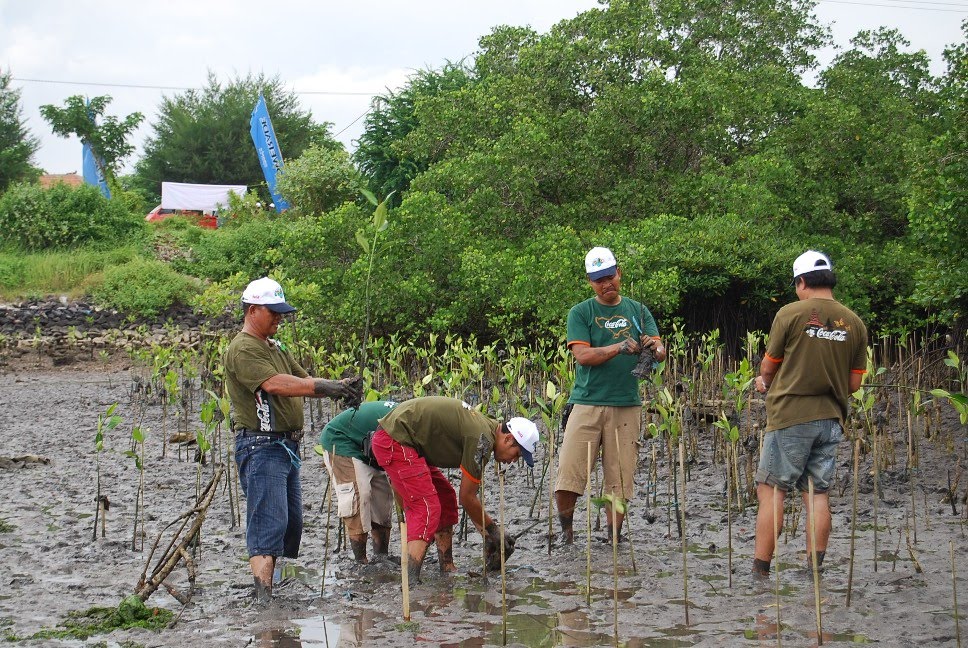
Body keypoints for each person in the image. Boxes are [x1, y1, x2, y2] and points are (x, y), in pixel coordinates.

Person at [225, 276, 363, 603]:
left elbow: (303, 380)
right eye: (272, 311)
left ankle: (271, 588)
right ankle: (264, 597)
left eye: (281, 312)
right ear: (252, 310)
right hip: (261, 445)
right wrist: (327, 387)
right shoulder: (243, 348)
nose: (279, 318)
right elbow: (275, 384)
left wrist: (341, 386)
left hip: (285, 446)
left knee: (290, 524)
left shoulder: (274, 347)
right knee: (268, 521)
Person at [751, 250, 867, 576]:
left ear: (802, 282)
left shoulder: (790, 313)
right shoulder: (854, 322)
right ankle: (814, 571)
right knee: (817, 494)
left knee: (772, 490)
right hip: (831, 419)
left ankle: (760, 571)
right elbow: (854, 384)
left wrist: (764, 382)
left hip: (791, 416)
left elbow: (768, 367)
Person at [554, 246, 666, 544]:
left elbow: (660, 350)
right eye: (599, 280)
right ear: (590, 282)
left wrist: (654, 348)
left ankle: (614, 538)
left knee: (620, 479)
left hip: (626, 405)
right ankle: (567, 535)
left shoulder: (638, 310)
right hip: (586, 402)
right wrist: (618, 347)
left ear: (619, 273)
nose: (606, 284)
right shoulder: (581, 312)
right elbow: (583, 355)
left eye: (610, 276)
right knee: (568, 474)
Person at [370, 396, 540, 581]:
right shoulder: (482, 440)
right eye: (517, 454)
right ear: (508, 439)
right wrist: (494, 531)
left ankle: (447, 568)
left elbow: (467, 500)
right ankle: (410, 582)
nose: (513, 460)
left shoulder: (486, 430)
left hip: (407, 443)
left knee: (446, 499)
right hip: (394, 440)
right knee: (426, 508)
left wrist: (490, 535)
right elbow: (467, 498)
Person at [319, 400, 398, 564]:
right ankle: (361, 562)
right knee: (358, 496)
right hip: (342, 441)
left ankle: (381, 558)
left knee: (383, 498)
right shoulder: (408, 423)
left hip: (370, 447)